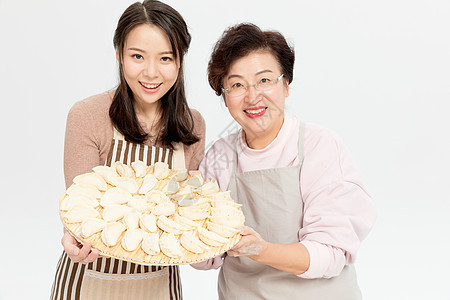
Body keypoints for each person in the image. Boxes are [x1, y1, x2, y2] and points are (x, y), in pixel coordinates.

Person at [192, 23, 376, 299]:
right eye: (237, 85)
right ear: (225, 96)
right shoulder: (219, 155)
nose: (252, 96)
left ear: (286, 85)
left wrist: (260, 249)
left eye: (264, 80)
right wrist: (187, 220)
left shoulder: (319, 146)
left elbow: (330, 253)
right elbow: (204, 259)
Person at [50, 1, 205, 299]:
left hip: (161, 285)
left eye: (165, 58)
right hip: (90, 281)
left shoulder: (192, 124)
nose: (151, 72)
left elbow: (184, 219)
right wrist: (73, 234)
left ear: (180, 61)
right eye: (137, 56)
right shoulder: (88, 115)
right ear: (119, 54)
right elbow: (81, 211)